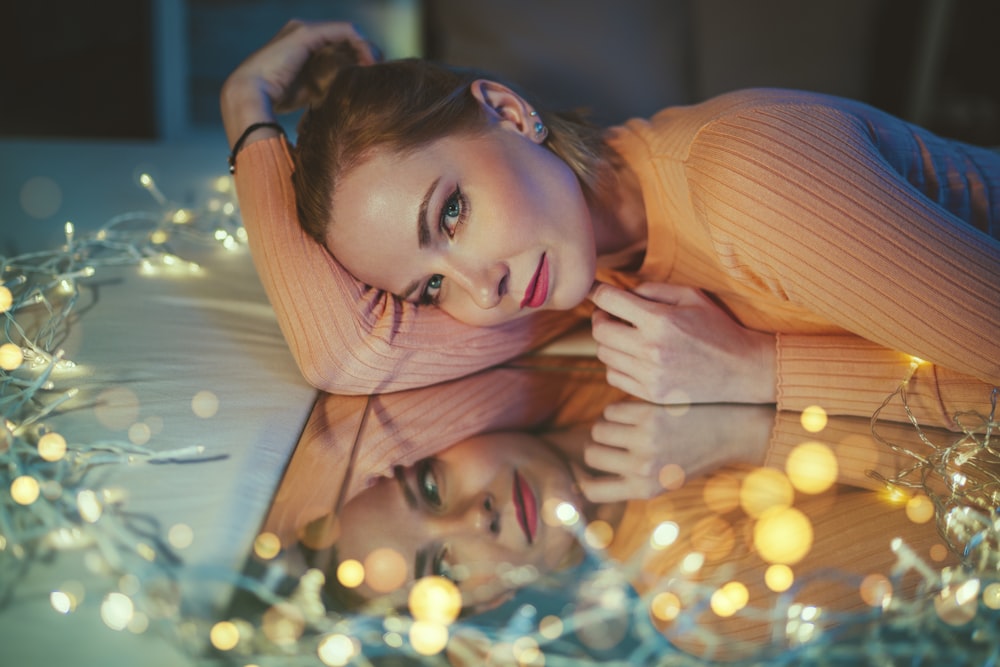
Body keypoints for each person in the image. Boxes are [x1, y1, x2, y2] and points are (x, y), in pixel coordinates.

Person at [221, 21, 998, 437]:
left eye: (450, 212)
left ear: (511, 112)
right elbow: (347, 351)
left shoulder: (742, 177)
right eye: (429, 285)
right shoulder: (588, 269)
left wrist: (758, 373)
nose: (478, 287)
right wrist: (246, 109)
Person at [293, 415, 963, 661]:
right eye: (444, 564)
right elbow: (973, 503)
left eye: (431, 487)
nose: (476, 517)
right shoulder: (704, 592)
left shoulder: (603, 339)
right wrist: (744, 421)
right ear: (486, 600)